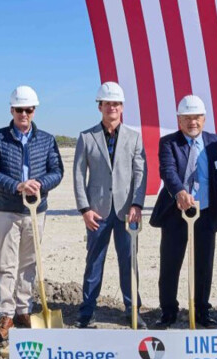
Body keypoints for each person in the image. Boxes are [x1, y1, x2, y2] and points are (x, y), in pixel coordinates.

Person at [0, 85, 64, 341]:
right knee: (5, 265)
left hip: (36, 212)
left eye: (28, 109)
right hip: (7, 210)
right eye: (19, 110)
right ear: (12, 110)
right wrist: (17, 186)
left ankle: (23, 310)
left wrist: (40, 184)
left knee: (29, 263)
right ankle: (6, 314)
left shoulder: (47, 140)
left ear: (34, 111)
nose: (23, 114)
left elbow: (57, 171)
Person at [150, 95, 217, 329]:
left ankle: (202, 311)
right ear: (179, 120)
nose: (192, 122)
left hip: (205, 214)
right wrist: (180, 193)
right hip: (175, 214)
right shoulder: (169, 143)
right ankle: (168, 312)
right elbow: (168, 171)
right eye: (187, 118)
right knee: (170, 265)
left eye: (196, 117)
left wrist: (209, 193)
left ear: (204, 119)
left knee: (204, 265)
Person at [73, 82, 147, 328]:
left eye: (116, 104)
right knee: (94, 261)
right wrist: (85, 209)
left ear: (122, 107)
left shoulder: (134, 138)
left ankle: (133, 309)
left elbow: (140, 173)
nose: (112, 108)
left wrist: (137, 204)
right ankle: (87, 310)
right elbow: (78, 175)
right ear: (100, 107)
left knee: (129, 261)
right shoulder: (86, 137)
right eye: (107, 104)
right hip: (97, 212)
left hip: (127, 212)